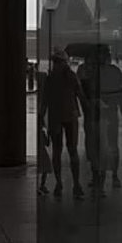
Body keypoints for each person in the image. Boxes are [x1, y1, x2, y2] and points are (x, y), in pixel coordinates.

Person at [77, 46, 122, 196]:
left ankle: (99, 178)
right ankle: (110, 177)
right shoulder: (114, 71)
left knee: (97, 146)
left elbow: (83, 92)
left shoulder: (90, 72)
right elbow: (120, 95)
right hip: (108, 113)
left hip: (96, 114)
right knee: (109, 146)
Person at [40, 50, 85, 199]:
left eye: (57, 62)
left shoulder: (51, 78)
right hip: (69, 116)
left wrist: (41, 117)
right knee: (68, 151)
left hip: (58, 117)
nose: (56, 64)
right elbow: (81, 96)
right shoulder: (70, 77)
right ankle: (74, 184)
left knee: (60, 151)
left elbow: (45, 101)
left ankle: (64, 183)